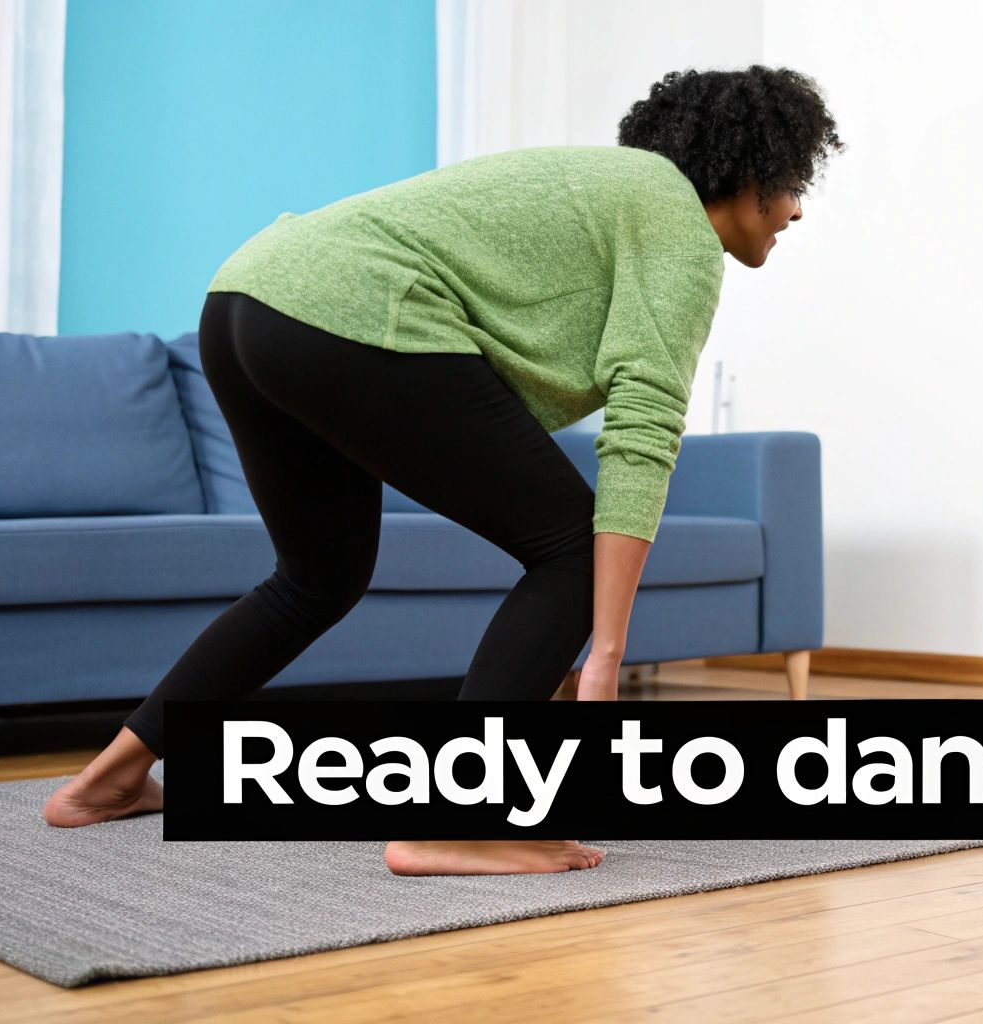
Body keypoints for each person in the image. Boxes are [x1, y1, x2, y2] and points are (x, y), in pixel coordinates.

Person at [42, 66, 844, 873]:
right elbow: (644, 423)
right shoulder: (673, 218)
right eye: (792, 181)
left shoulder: (605, 191)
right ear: (747, 172)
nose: (797, 207)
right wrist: (605, 655)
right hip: (348, 309)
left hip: (246, 299)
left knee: (318, 576)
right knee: (572, 543)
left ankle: (107, 780)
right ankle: (452, 821)